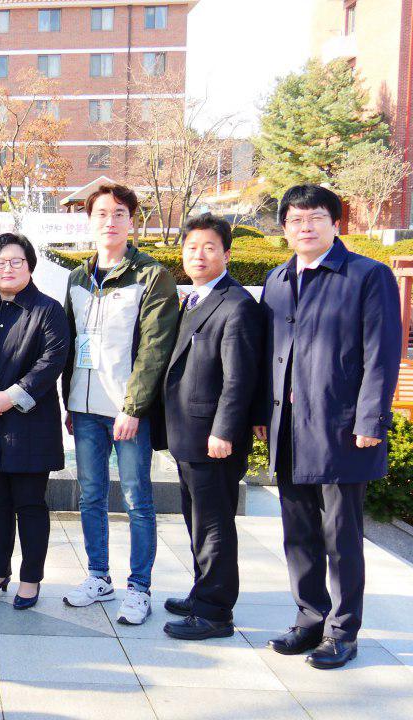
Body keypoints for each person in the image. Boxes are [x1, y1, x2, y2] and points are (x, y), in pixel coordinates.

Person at [254, 185, 400, 669]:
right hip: (288, 428)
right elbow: (267, 353)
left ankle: (342, 631)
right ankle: (309, 619)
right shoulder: (278, 279)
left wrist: (370, 418)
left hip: (340, 429)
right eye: (295, 220)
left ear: (336, 224)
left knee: (341, 537)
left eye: (316, 217)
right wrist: (262, 412)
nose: (306, 227)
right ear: (284, 229)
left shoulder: (367, 275)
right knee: (298, 534)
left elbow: (382, 352)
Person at [61, 183, 179, 625]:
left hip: (127, 410)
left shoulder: (152, 276)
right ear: (89, 221)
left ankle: (139, 587)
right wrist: (69, 402)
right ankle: (98, 576)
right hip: (84, 408)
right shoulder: (77, 278)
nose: (109, 221)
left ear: (132, 221)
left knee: (136, 498)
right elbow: (71, 344)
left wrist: (133, 408)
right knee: (90, 495)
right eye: (101, 214)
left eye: (119, 214)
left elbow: (154, 349)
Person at [150, 214, 263, 641]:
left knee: (213, 525)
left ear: (227, 254)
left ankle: (215, 612)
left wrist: (224, 431)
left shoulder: (236, 305)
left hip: (212, 438)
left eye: (210, 247)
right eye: (192, 247)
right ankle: (202, 593)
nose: (199, 255)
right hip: (188, 435)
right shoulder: (195, 298)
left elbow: (239, 379)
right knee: (197, 519)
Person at [0, 233, 69, 610]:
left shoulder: (48, 310)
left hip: (30, 425)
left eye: (16, 261)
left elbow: (51, 362)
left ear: (30, 266)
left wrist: (11, 396)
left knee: (30, 503)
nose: (7, 268)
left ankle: (30, 578)